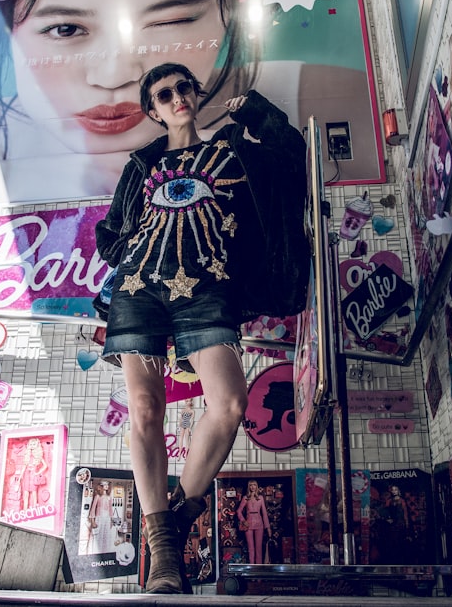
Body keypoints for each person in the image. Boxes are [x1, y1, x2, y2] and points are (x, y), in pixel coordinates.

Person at [94, 62, 308, 593]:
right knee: (144, 408)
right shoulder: (142, 164)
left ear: (196, 91)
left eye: (183, 87)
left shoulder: (232, 148)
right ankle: (165, 558)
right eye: (163, 95)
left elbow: (290, 153)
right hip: (141, 288)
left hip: (207, 288)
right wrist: (131, 252)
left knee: (230, 403)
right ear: (153, 110)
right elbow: (114, 232)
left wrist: (255, 109)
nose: (176, 98)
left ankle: (178, 519)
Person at [0, 0, 375, 202]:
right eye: (65, 29)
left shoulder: (319, 102)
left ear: (228, 12)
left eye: (170, 22)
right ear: (8, 28)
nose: (112, 75)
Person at [236, 480, 271, 564]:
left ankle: (258, 572)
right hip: (248, 525)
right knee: (251, 549)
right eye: (251, 485)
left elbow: (264, 513)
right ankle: (251, 570)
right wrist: (243, 521)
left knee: (259, 549)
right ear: (249, 487)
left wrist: (268, 527)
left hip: (259, 525)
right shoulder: (245, 498)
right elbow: (238, 511)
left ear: (257, 486)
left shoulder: (260, 498)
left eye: (254, 485)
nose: (252, 487)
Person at [87, 480, 117, 554]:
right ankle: (97, 552)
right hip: (99, 518)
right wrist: (93, 521)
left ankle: (105, 552)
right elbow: (93, 508)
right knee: (98, 535)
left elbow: (110, 509)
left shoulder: (109, 497)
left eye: (107, 485)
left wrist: (111, 520)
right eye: (105, 485)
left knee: (106, 535)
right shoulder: (98, 496)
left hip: (107, 518)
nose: (106, 486)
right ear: (101, 486)